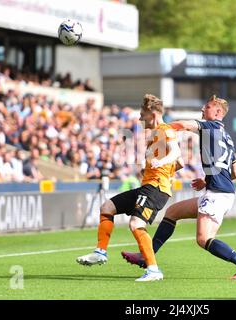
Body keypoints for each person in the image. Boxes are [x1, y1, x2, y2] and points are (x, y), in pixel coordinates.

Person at [122, 95, 236, 280]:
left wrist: (163, 128)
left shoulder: (210, 126)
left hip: (218, 195)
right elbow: (235, 173)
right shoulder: (228, 138)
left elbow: (183, 125)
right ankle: (147, 257)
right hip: (219, 191)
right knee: (172, 212)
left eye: (207, 107)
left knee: (203, 239)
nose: (203, 109)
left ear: (218, 112)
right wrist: (206, 181)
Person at [76, 94, 183, 282]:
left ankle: (153, 270)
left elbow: (177, 152)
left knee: (136, 224)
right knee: (107, 207)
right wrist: (160, 168)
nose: (140, 118)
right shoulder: (156, 135)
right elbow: (179, 162)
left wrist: (161, 163)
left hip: (156, 188)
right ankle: (100, 252)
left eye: (143, 114)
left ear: (153, 113)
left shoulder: (165, 130)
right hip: (148, 185)